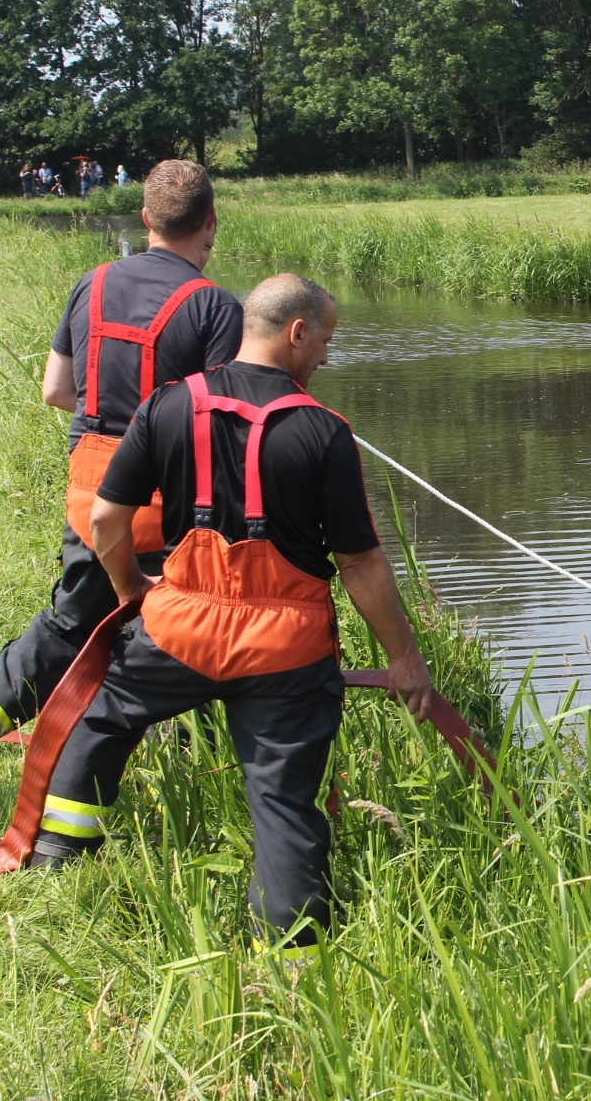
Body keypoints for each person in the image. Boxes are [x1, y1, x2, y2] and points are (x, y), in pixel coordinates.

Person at [38, 273, 434, 955]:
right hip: (286, 648)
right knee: (282, 796)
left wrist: (132, 586)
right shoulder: (324, 430)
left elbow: (105, 518)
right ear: (295, 332)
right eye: (326, 342)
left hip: (177, 629)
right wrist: (404, 657)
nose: (326, 359)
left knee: (101, 720)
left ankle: (56, 859)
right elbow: (361, 565)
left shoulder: (167, 404)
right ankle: (293, 945)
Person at [0, 161, 243, 753]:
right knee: (175, 628)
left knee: (73, 618)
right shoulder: (215, 306)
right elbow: (221, 423)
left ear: (146, 218)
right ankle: (169, 743)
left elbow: (55, 391)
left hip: (90, 482)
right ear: (211, 220)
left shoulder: (91, 284)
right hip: (166, 495)